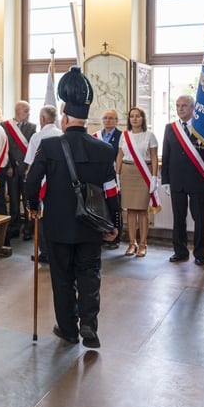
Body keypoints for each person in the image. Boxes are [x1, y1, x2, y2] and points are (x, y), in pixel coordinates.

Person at [24, 68, 119, 349]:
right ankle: (89, 324)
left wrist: (32, 207)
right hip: (92, 225)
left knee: (62, 278)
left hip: (58, 226)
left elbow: (31, 182)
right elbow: (112, 191)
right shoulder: (104, 149)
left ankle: (67, 328)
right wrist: (115, 225)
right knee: (90, 275)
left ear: (64, 119)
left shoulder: (50, 145)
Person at [161, 94, 204, 266]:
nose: (180, 109)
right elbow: (165, 156)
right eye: (177, 105)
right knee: (178, 218)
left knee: (200, 219)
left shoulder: (202, 128)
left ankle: (200, 253)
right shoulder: (170, 128)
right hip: (177, 181)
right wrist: (165, 180)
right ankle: (180, 251)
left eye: (184, 105)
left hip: (198, 181)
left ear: (192, 108)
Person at [115, 107, 158, 258]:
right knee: (130, 210)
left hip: (143, 173)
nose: (134, 119)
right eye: (132, 116)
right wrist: (117, 175)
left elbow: (154, 158)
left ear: (143, 118)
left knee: (142, 210)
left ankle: (143, 244)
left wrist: (154, 177)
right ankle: (132, 243)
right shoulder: (124, 135)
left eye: (138, 116)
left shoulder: (150, 135)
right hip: (127, 172)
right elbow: (119, 156)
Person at [23, 105, 62, 263]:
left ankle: (45, 251)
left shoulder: (37, 137)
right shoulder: (62, 134)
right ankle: (57, 250)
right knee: (56, 215)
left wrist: (28, 181)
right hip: (58, 180)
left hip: (41, 182)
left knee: (40, 215)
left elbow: (31, 163)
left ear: (43, 119)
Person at [2, 101, 36, 241]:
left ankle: (28, 229)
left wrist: (30, 168)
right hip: (12, 170)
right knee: (14, 201)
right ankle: (14, 227)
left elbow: (33, 149)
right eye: (26, 111)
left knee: (27, 201)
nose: (28, 114)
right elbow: (5, 148)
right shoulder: (5, 126)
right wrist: (8, 166)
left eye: (29, 111)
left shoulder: (32, 127)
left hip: (27, 169)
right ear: (18, 111)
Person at [95, 109, 123, 249]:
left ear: (116, 121)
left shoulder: (121, 136)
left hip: (114, 176)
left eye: (111, 118)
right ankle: (103, 235)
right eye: (105, 118)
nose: (107, 120)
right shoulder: (95, 136)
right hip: (100, 177)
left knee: (115, 207)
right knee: (101, 207)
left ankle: (116, 237)